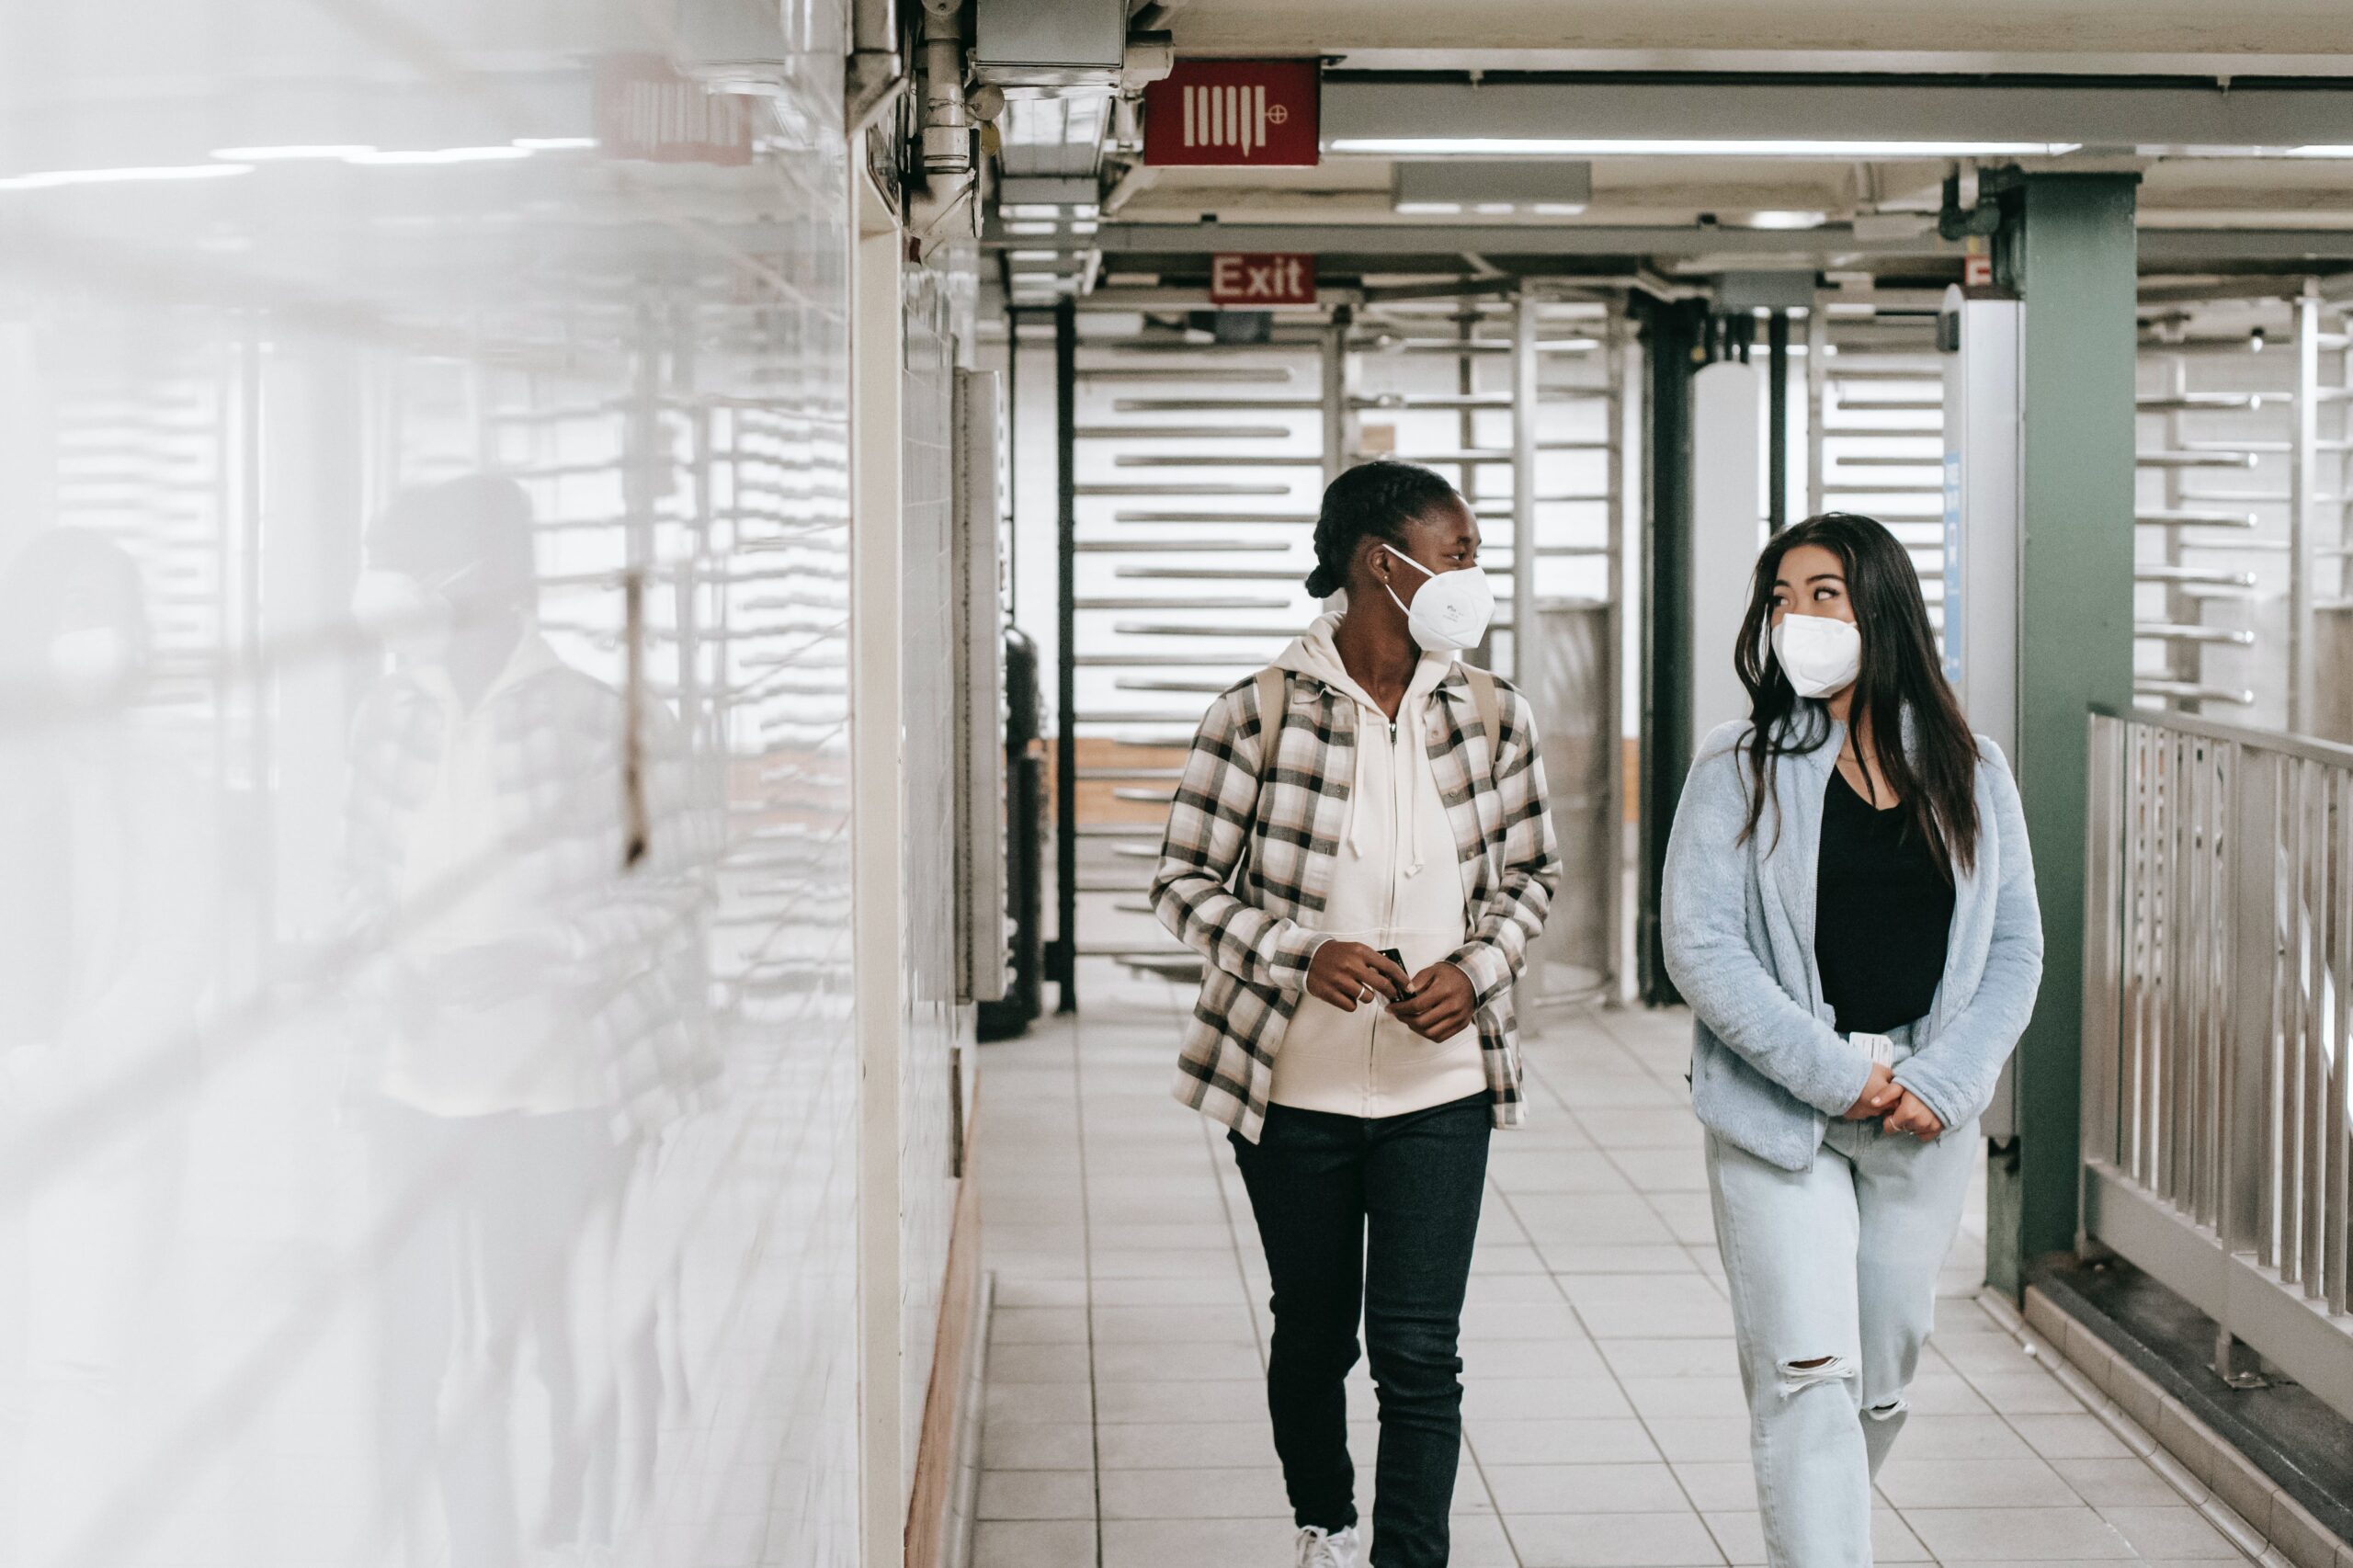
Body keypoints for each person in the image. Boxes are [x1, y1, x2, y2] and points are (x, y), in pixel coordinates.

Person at [1151, 459, 1562, 1568]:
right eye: (1460, 550)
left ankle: (1408, 1557)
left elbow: (1530, 875)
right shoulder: (1260, 711)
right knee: (1317, 1332)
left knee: (1420, 1351)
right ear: (1386, 562)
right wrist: (1299, 951)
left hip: (1443, 1088)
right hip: (1294, 1090)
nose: (1473, 573)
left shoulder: (1490, 710)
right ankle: (1323, 1525)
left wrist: (1476, 969)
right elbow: (1182, 880)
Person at [1662, 513, 2043, 1568]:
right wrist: (1840, 1077)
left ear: (1879, 607)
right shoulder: (1735, 765)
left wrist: (1946, 1079)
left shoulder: (1972, 768)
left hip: (1923, 1118)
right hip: (1782, 1117)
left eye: (1822, 593)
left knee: (1879, 1377)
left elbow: (2015, 945)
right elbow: (1697, 946)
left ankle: (1817, 1525)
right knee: (1805, 1375)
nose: (1795, 619)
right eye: (1779, 598)